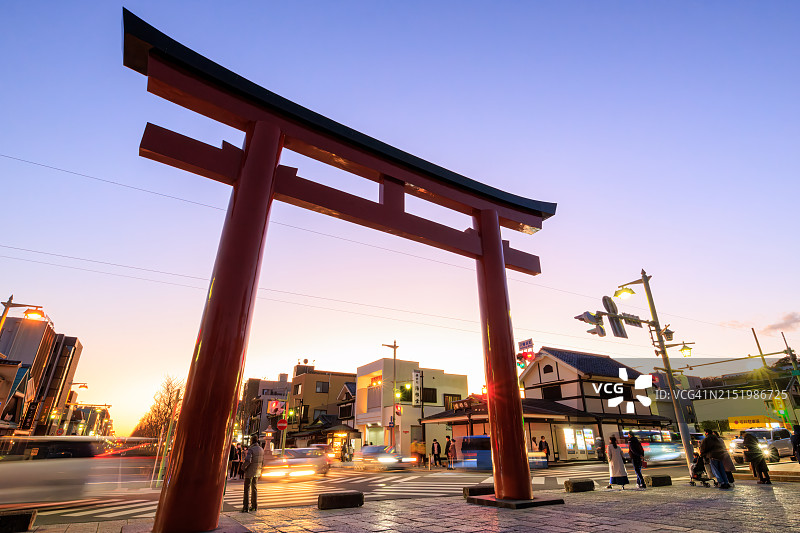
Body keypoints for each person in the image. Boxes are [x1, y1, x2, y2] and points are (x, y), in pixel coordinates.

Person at [241, 436, 264, 513]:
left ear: (251, 441)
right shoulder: (261, 449)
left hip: (250, 471)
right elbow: (262, 461)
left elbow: (248, 460)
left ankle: (245, 507)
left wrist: (243, 468)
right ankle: (254, 506)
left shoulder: (251, 449)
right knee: (254, 488)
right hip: (257, 470)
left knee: (246, 489)